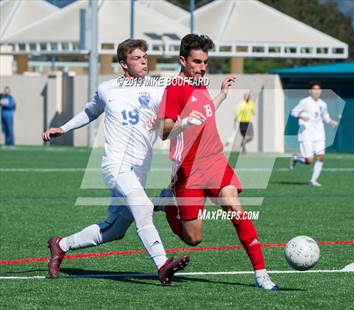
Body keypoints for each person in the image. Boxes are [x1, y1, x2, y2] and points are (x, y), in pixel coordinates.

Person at [42, 39, 189, 284]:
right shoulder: (107, 89)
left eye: (145, 56)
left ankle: (61, 244)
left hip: (140, 170)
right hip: (115, 165)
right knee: (142, 207)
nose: (144, 61)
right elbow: (90, 112)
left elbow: (178, 108)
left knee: (115, 229)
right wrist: (64, 128)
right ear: (123, 63)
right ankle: (162, 265)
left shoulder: (157, 89)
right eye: (137, 57)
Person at [157, 34, 279, 290]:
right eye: (196, 62)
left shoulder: (200, 84)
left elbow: (204, 112)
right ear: (182, 60)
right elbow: (164, 131)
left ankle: (261, 274)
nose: (202, 68)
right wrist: (185, 123)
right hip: (187, 169)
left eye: (205, 62)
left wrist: (222, 95)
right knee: (194, 238)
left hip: (214, 160)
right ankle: (168, 202)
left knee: (236, 208)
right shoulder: (174, 89)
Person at [289, 81, 338, 187]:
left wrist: (331, 122)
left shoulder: (323, 104)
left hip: (319, 135)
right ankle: (296, 158)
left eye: (318, 89)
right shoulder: (305, 102)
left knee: (320, 157)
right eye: (314, 89)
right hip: (306, 134)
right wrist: (301, 115)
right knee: (309, 160)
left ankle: (313, 180)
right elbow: (293, 112)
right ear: (310, 91)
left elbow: (325, 117)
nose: (316, 91)